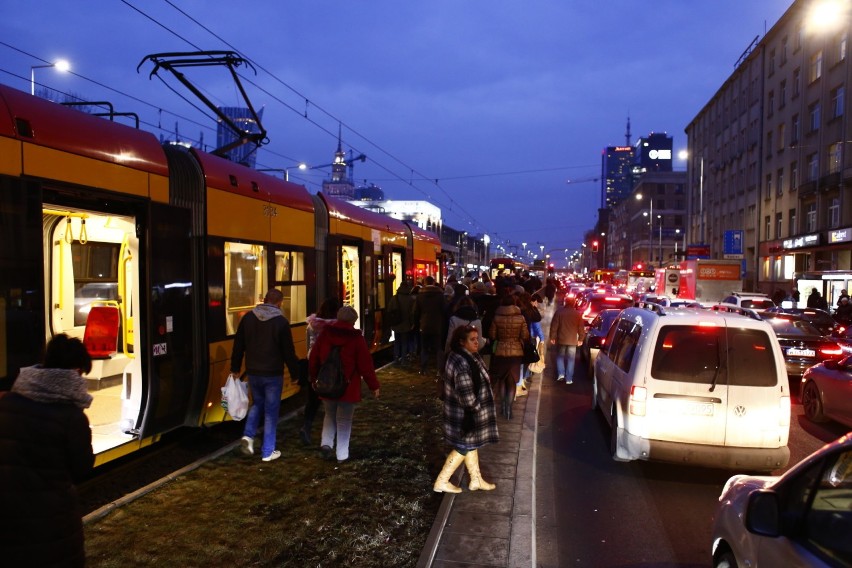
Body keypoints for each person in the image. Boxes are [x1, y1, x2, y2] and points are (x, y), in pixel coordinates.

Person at [0, 334, 95, 567]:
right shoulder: (72, 418)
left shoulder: (6, 402)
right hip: (50, 519)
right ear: (75, 370)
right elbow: (82, 468)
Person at [231, 288, 300, 462]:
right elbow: (288, 352)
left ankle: (248, 436)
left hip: (253, 371)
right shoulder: (281, 322)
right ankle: (268, 451)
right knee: (271, 411)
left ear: (264, 300)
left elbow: (238, 344)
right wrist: (294, 373)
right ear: (279, 303)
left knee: (257, 404)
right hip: (273, 374)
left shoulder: (248, 318)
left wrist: (235, 367)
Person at [309, 306, 380, 463]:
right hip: (348, 387)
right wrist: (373, 386)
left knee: (329, 414)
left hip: (327, 384)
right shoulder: (356, 338)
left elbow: (314, 358)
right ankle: (342, 454)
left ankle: (326, 444)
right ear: (353, 321)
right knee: (344, 420)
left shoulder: (325, 334)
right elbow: (365, 365)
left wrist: (314, 379)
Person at [433, 325, 499, 493]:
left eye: (477, 338)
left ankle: (476, 479)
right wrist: (478, 409)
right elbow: (466, 395)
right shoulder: (462, 362)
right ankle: (442, 481)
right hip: (465, 415)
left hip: (461, 413)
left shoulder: (464, 356)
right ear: (461, 342)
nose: (477, 342)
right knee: (464, 446)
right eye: (472, 339)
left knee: (470, 444)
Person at [302, 297, 341, 446]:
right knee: (332, 398)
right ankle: (329, 436)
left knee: (312, 399)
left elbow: (308, 347)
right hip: (329, 364)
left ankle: (306, 426)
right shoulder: (335, 327)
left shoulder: (311, 326)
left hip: (313, 362)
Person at [488, 294, 529, 419]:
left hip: (500, 351)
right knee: (512, 381)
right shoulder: (521, 318)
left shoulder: (496, 317)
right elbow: (525, 336)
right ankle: (509, 409)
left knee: (501, 380)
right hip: (516, 353)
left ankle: (502, 407)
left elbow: (492, 335)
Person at [412, 276, 446, 375]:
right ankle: (440, 370)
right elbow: (444, 310)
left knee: (424, 348)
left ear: (425, 283)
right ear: (434, 282)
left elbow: (416, 312)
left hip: (424, 325)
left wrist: (416, 323)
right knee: (439, 348)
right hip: (437, 325)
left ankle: (424, 369)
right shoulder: (440, 295)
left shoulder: (420, 295)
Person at [550, 295, 586, 384]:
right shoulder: (577, 314)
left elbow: (554, 326)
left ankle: (561, 374)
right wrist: (581, 338)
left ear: (565, 302)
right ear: (574, 303)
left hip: (561, 339)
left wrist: (552, 337)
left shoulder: (559, 312)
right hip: (572, 340)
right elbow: (581, 328)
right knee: (571, 359)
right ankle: (569, 379)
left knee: (560, 356)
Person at [388, 281, 416, 365]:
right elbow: (413, 313)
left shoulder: (394, 298)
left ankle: (396, 358)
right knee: (405, 342)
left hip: (397, 324)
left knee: (397, 342)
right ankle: (403, 359)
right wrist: (412, 323)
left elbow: (389, 311)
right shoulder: (411, 299)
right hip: (406, 324)